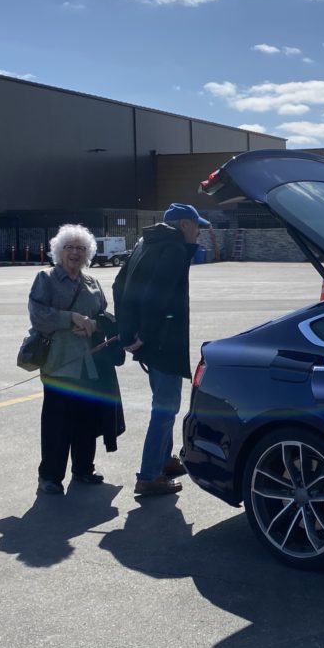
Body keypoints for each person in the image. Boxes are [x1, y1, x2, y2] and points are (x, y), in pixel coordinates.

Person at [115, 203, 208, 496]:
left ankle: (164, 460)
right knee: (165, 408)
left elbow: (119, 285)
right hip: (162, 342)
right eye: (197, 226)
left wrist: (126, 330)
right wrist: (143, 334)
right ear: (184, 225)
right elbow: (160, 295)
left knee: (163, 402)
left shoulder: (144, 245)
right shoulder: (174, 250)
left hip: (149, 342)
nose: (199, 232)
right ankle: (150, 475)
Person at [28, 224, 118, 494]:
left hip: (90, 363)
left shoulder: (92, 282)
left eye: (81, 248)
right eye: (69, 248)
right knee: (57, 424)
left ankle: (83, 470)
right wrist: (71, 318)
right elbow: (38, 315)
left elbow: (105, 316)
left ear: (88, 252)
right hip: (58, 364)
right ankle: (50, 477)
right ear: (59, 251)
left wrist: (94, 324)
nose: (75, 253)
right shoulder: (46, 279)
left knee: (86, 420)